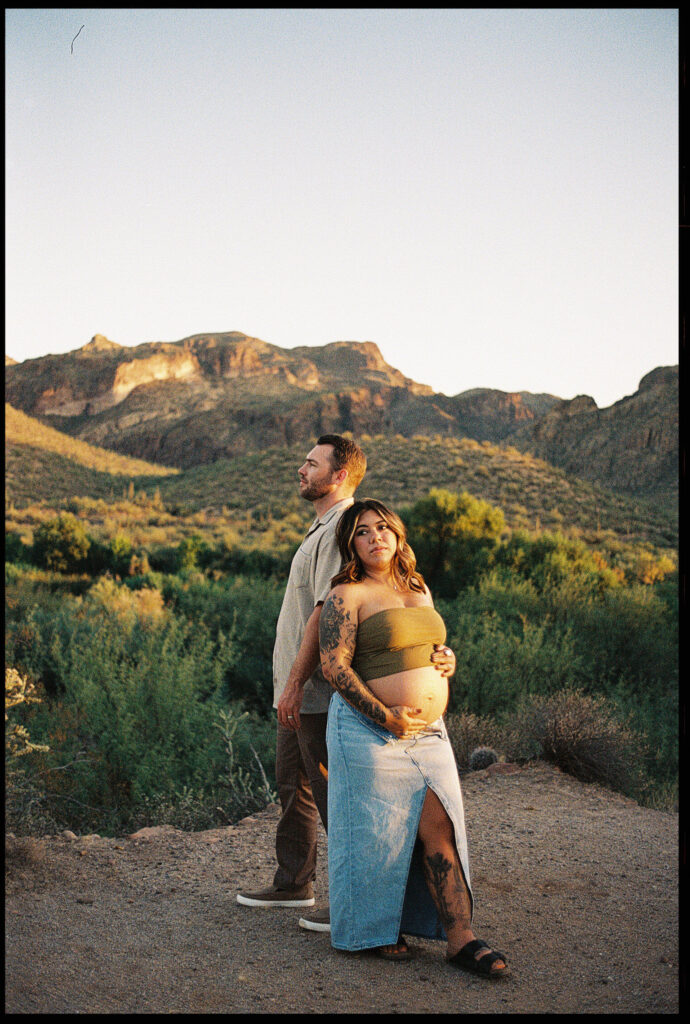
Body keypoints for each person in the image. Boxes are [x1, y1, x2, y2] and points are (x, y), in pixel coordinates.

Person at [319, 498, 509, 977]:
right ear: (351, 544)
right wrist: (384, 715)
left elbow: (427, 645)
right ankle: (374, 931)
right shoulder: (348, 594)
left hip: (429, 732)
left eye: (383, 528)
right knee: (376, 833)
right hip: (367, 729)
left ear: (398, 535)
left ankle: (460, 938)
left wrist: (447, 659)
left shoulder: (418, 587)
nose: (375, 537)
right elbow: (333, 666)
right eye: (362, 531)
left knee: (440, 825)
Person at [236, 435, 367, 919]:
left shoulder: (343, 528)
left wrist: (294, 684)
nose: (301, 469)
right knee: (294, 784)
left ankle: (354, 898)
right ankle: (293, 882)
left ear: (339, 476)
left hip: (317, 690)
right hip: (295, 689)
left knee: (334, 792)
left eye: (311, 464)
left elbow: (324, 609)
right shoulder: (321, 527)